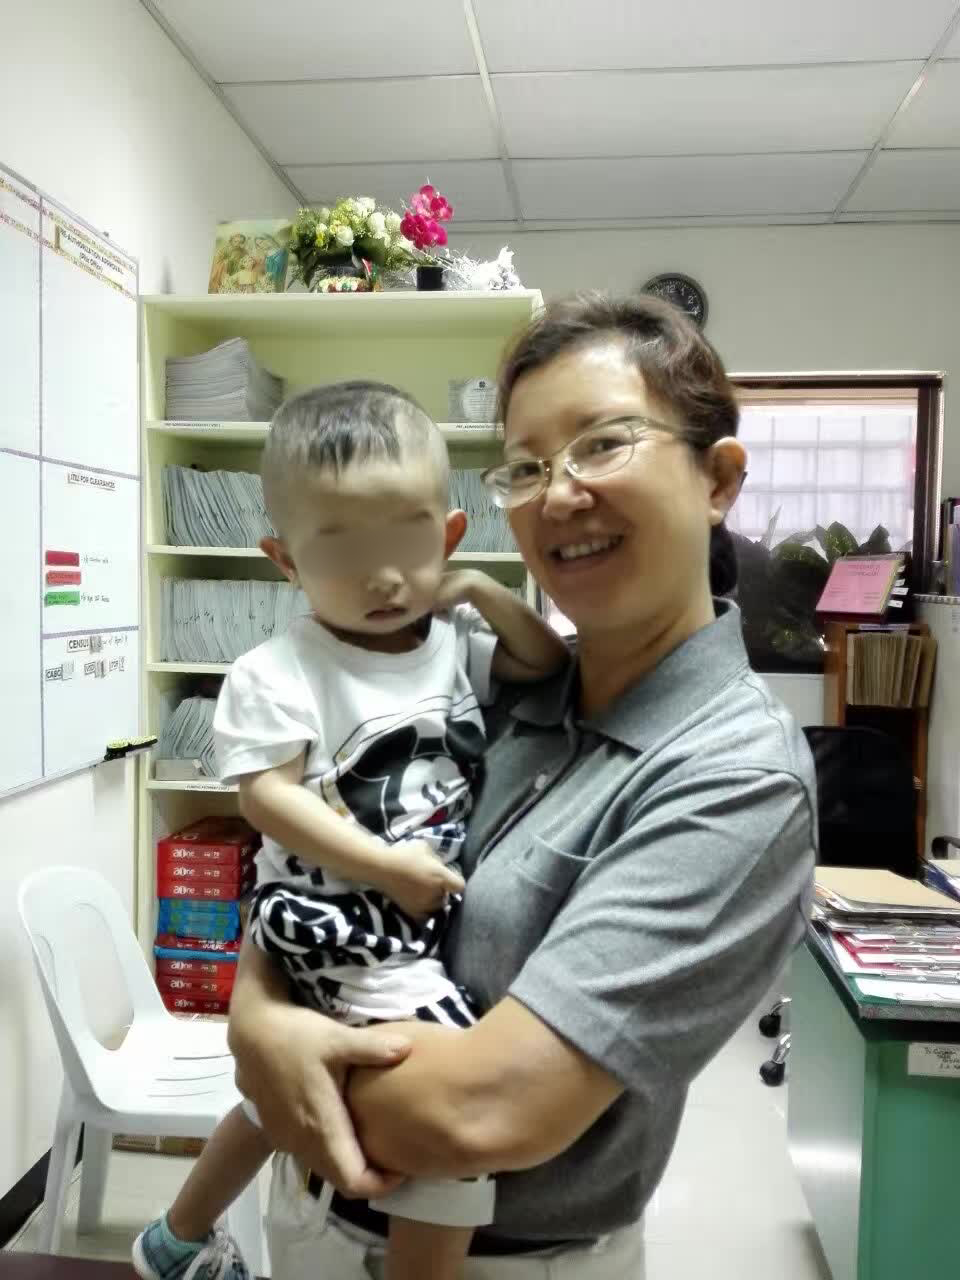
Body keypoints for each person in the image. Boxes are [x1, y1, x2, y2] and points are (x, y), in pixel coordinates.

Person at [227, 292, 818, 1279]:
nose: (560, 493)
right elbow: (318, 867)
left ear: (719, 478)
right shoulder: (497, 685)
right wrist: (258, 1015)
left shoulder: (733, 780)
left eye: (604, 443)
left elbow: (479, 1107)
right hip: (309, 1212)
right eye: (530, 465)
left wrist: (270, 1054)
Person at [132, 382, 568, 1280]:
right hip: (336, 913)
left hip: (405, 913)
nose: (382, 577)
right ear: (283, 560)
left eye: (407, 541)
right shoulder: (278, 668)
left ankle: (172, 1242)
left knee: (274, 1098)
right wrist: (385, 864)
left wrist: (482, 586)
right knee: (459, 1103)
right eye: (342, 548)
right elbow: (268, 800)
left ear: (446, 536)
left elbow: (545, 661)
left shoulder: (449, 641)